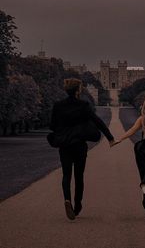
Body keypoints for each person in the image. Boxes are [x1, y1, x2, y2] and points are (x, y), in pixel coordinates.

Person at [50, 78, 116, 220]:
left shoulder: (58, 106)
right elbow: (97, 121)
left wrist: (63, 131)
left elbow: (52, 126)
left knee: (66, 175)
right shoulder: (83, 105)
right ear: (78, 90)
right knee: (79, 176)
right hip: (79, 145)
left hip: (64, 145)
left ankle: (67, 200)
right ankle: (77, 204)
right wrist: (110, 137)